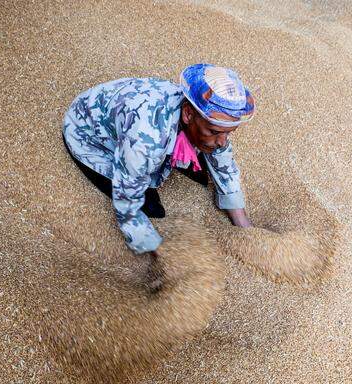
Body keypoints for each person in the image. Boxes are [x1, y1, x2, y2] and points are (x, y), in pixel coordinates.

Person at [62, 63, 255, 287]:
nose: (222, 140)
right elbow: (127, 200)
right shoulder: (146, 140)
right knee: (152, 207)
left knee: (208, 163)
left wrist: (244, 227)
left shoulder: (204, 117)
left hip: (142, 127)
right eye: (214, 131)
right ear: (188, 113)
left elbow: (223, 160)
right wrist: (160, 257)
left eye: (228, 133)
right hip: (90, 136)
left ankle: (191, 146)